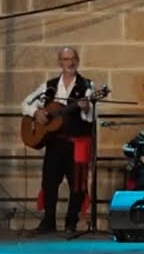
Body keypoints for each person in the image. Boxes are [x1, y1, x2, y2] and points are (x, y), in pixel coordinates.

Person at [20, 46, 95, 234]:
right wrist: (36, 112)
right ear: (60, 62)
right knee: (50, 182)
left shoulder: (87, 86)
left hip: (76, 143)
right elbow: (25, 104)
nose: (70, 62)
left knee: (77, 184)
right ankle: (48, 222)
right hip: (54, 143)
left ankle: (71, 223)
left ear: (77, 60)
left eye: (73, 58)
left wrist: (86, 108)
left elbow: (91, 117)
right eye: (66, 59)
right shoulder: (50, 86)